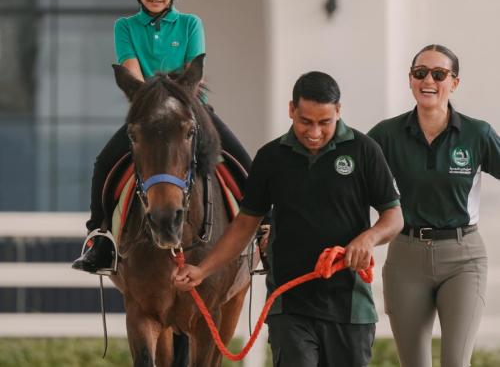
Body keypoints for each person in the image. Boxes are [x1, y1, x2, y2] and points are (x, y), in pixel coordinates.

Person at [173, 71, 403, 367]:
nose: (315, 132)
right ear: (291, 109)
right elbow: (245, 224)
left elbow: (394, 216)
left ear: (338, 112)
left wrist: (368, 238)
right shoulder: (270, 157)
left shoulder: (365, 150)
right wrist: (202, 270)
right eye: (306, 121)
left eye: (325, 122)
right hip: (289, 304)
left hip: (350, 306)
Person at [72, 0, 251, 273]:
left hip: (190, 109)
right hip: (148, 112)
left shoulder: (190, 24)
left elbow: (191, 74)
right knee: (103, 164)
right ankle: (99, 238)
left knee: (244, 162)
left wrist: (171, 98)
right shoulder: (124, 27)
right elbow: (131, 70)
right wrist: (149, 100)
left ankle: (265, 232)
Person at [367, 44, 500, 367]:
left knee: (455, 362)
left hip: (463, 258)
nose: (429, 80)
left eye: (439, 74)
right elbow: (348, 183)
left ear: (453, 83)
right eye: (420, 72)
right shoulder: (386, 134)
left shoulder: (477, 133)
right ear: (410, 79)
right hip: (405, 255)